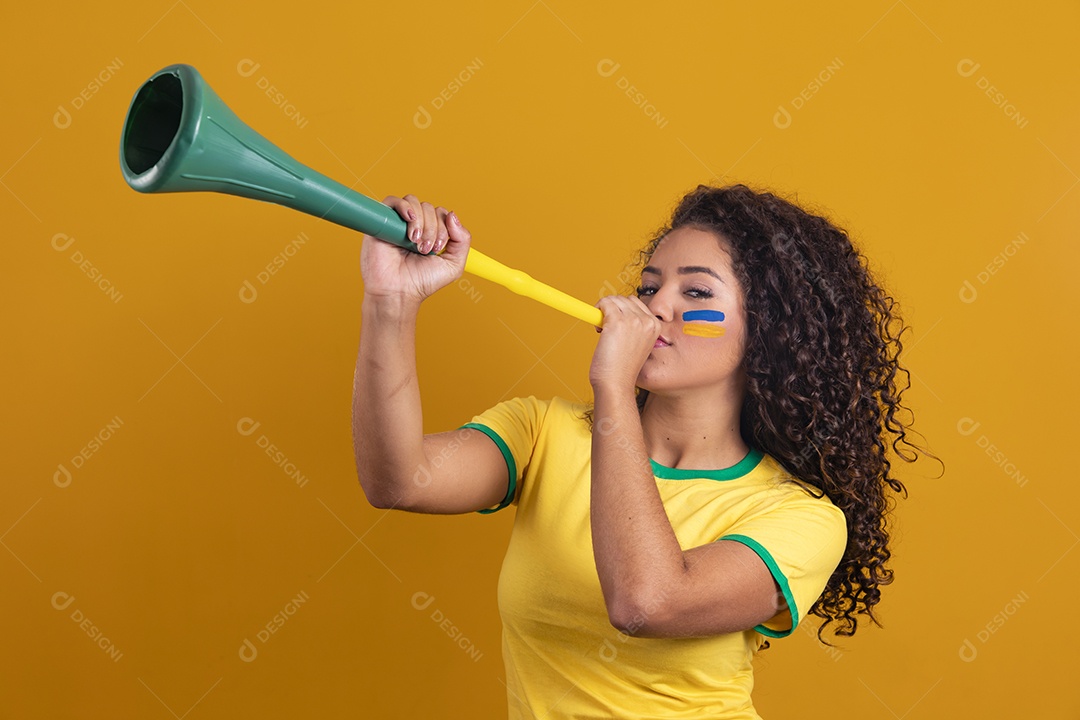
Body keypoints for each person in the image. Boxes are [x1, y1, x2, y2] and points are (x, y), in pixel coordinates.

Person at [353, 185, 925, 719]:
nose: (655, 307)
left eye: (696, 292)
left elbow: (645, 603)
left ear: (770, 330)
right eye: (650, 286)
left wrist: (613, 389)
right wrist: (390, 302)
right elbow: (398, 480)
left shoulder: (800, 517)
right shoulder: (542, 433)